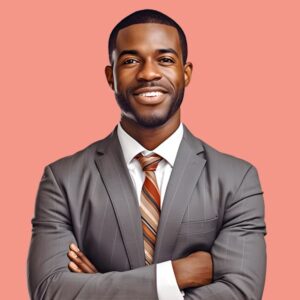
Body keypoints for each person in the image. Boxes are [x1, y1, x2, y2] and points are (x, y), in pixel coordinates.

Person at [27, 9, 267, 300]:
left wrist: (100, 286)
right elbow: (49, 290)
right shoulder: (63, 180)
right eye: (130, 61)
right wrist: (175, 275)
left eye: (165, 60)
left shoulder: (236, 179)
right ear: (110, 76)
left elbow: (240, 294)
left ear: (186, 73)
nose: (148, 73)